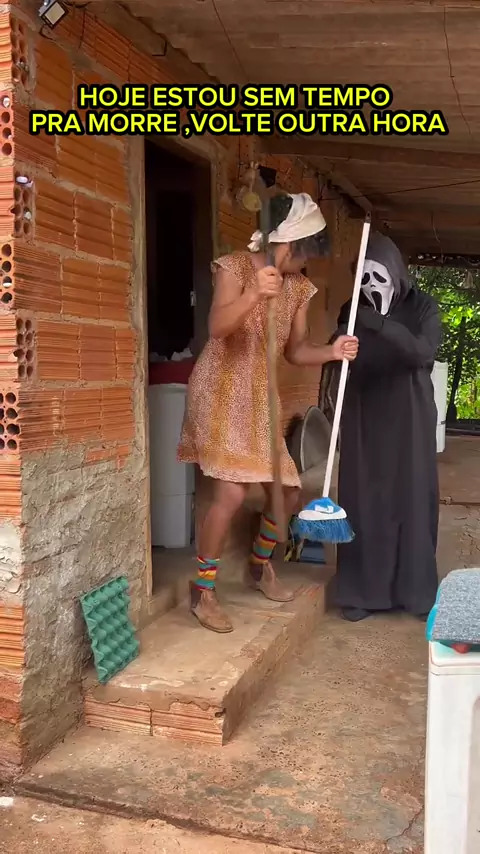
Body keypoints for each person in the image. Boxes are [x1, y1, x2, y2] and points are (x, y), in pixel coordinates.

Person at [177, 192, 359, 633]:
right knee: (232, 494)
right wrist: (255, 293)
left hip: (260, 398)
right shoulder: (234, 268)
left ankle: (260, 566)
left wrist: (332, 351)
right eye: (307, 249)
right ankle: (203, 590)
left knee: (288, 492)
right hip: (220, 390)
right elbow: (217, 328)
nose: (309, 260)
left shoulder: (298, 288)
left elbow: (296, 350)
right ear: (289, 241)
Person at [320, 231, 441, 622]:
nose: (371, 285)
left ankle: (415, 593)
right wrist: (340, 343)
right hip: (364, 415)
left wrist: (377, 323)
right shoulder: (351, 308)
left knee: (411, 497)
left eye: (379, 276)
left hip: (410, 417)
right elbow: (342, 354)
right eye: (364, 277)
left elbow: (421, 353)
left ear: (395, 272)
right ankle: (362, 593)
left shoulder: (423, 307)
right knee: (364, 498)